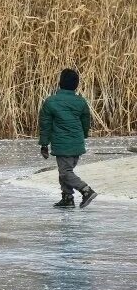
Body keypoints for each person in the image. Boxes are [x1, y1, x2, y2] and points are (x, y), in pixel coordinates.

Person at [39, 68, 97, 209]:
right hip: (76, 142)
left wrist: (44, 144)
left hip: (62, 143)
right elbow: (85, 122)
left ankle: (86, 191)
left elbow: (45, 125)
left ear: (60, 83)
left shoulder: (51, 102)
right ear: (76, 85)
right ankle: (67, 198)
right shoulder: (80, 102)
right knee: (64, 171)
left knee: (65, 173)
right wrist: (82, 136)